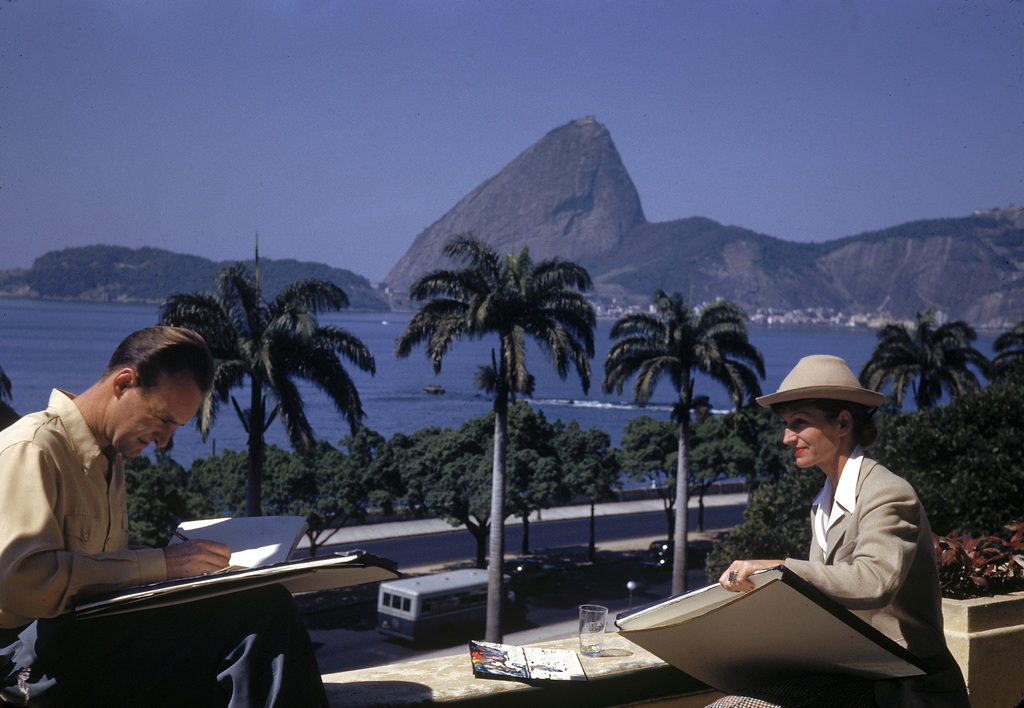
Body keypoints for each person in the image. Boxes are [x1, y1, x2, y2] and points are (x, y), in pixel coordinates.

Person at [0, 326, 327, 707]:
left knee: (256, 600)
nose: (164, 441)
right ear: (124, 383)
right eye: (163, 420)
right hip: (25, 658)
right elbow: (21, 582)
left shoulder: (108, 458)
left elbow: (96, 568)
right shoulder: (33, 447)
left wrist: (185, 573)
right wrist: (161, 564)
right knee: (262, 612)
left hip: (80, 638)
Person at [711, 355, 969, 708]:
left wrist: (778, 569)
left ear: (843, 422)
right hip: (853, 676)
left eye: (799, 423)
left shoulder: (887, 492)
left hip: (905, 688)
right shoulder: (823, 504)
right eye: (786, 424)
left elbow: (874, 581)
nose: (787, 437)